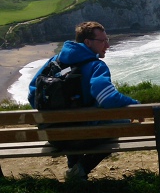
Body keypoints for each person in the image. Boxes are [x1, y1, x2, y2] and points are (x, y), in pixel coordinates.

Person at [28, 21, 140, 180]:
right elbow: (106, 97)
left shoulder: (54, 61)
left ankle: (74, 167)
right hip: (82, 136)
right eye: (103, 41)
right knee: (123, 122)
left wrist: (53, 115)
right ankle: (81, 169)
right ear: (87, 42)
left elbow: (33, 93)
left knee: (74, 123)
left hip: (53, 136)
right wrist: (134, 104)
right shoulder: (96, 66)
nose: (107, 45)